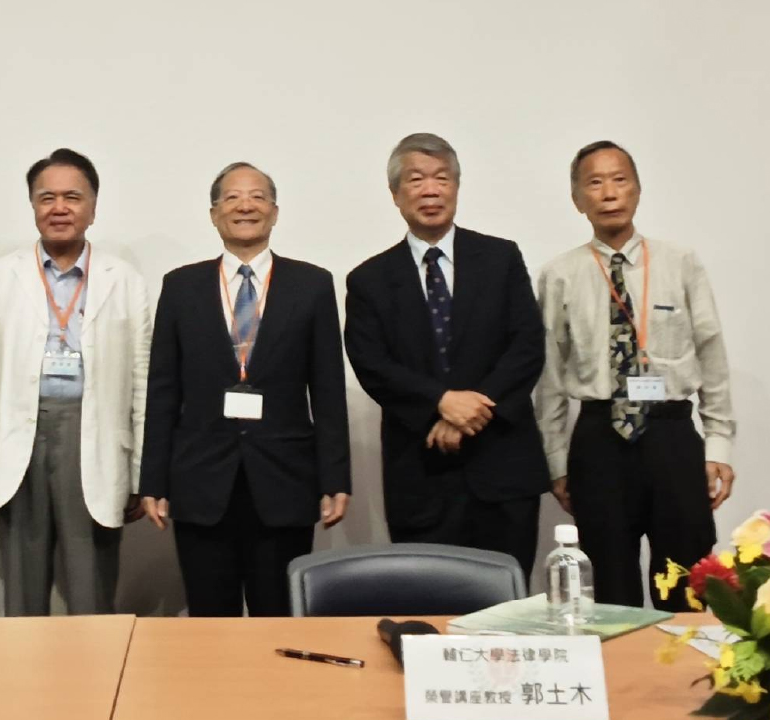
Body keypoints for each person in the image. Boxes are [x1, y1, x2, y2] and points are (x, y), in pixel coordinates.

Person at [139, 162, 350, 617]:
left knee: (278, 619)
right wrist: (152, 480)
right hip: (201, 481)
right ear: (214, 214)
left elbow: (328, 389)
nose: (245, 206)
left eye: (257, 196)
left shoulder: (312, 285)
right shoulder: (181, 286)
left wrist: (335, 477)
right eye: (232, 197)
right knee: (210, 622)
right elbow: (163, 390)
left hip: (284, 481)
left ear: (274, 212)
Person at [535, 140, 734, 609]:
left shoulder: (680, 262)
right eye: (595, 183)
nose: (609, 193)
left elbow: (711, 354)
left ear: (638, 190)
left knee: (686, 584)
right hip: (599, 442)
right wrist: (557, 461)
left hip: (671, 436)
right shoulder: (559, 274)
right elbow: (549, 376)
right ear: (577, 199)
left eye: (619, 180)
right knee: (608, 592)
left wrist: (719, 444)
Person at [0, 148, 150, 616]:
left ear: (93, 207)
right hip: (19, 435)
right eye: (47, 198)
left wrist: (142, 471)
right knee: (22, 589)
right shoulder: (1, 275)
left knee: (91, 586)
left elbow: (141, 382)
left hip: (93, 437)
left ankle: (96, 665)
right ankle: (25, 666)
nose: (59, 208)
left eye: (72, 197)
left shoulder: (124, 279)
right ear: (33, 206)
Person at [344, 133, 548, 579]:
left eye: (441, 178)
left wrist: (470, 411)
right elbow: (371, 364)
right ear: (396, 194)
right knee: (429, 603)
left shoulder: (501, 257)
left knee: (509, 605)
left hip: (503, 469)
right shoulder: (369, 279)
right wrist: (440, 402)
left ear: (456, 186)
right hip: (421, 476)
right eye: (416, 179)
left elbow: (527, 345)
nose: (430, 190)